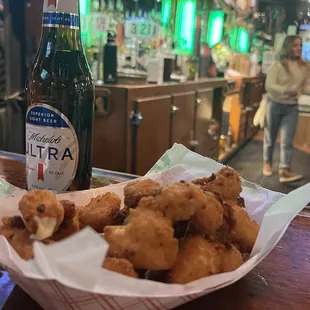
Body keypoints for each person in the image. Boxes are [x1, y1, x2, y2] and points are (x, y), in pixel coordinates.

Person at [264, 35, 310, 183]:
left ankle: (284, 170)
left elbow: (305, 87)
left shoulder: (304, 67)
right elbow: (269, 85)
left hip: (292, 107)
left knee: (287, 140)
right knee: (270, 137)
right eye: (295, 45)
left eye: (300, 45)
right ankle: (267, 162)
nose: (298, 48)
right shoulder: (277, 65)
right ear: (288, 47)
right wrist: (285, 90)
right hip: (275, 104)